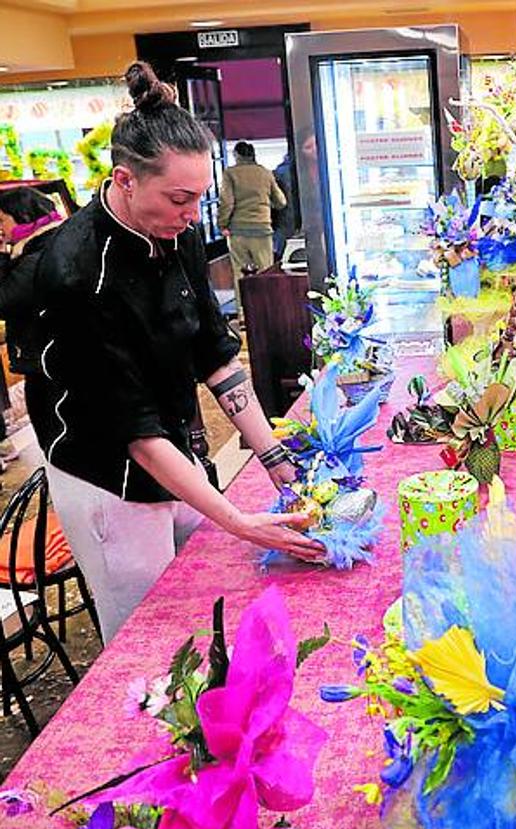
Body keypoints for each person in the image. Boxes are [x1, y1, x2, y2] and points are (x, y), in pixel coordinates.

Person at [35, 62, 324, 644]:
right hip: (105, 471)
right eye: (178, 199)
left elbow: (213, 352)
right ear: (125, 180)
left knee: (205, 592)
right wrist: (239, 520)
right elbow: (134, 432)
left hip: (168, 444)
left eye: (198, 199)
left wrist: (273, 458)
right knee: (148, 633)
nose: (192, 216)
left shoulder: (179, 234)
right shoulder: (75, 273)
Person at [0, 187, 64, 453]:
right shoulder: (51, 243)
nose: (0, 227)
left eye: (2, 220)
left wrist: (2, 255)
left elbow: (3, 300)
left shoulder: (35, 257)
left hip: (47, 361)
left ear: (22, 216)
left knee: (54, 433)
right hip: (52, 357)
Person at [217, 141, 286, 318]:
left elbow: (227, 202)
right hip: (262, 230)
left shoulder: (230, 174)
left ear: (236, 156)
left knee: (240, 274)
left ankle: (245, 316)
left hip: (238, 232)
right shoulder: (265, 173)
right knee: (266, 272)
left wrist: (222, 224)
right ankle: (272, 312)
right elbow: (281, 201)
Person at [271, 151, 298, 261]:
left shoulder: (278, 172)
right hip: (300, 220)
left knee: (283, 256)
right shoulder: (304, 169)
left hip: (283, 222)